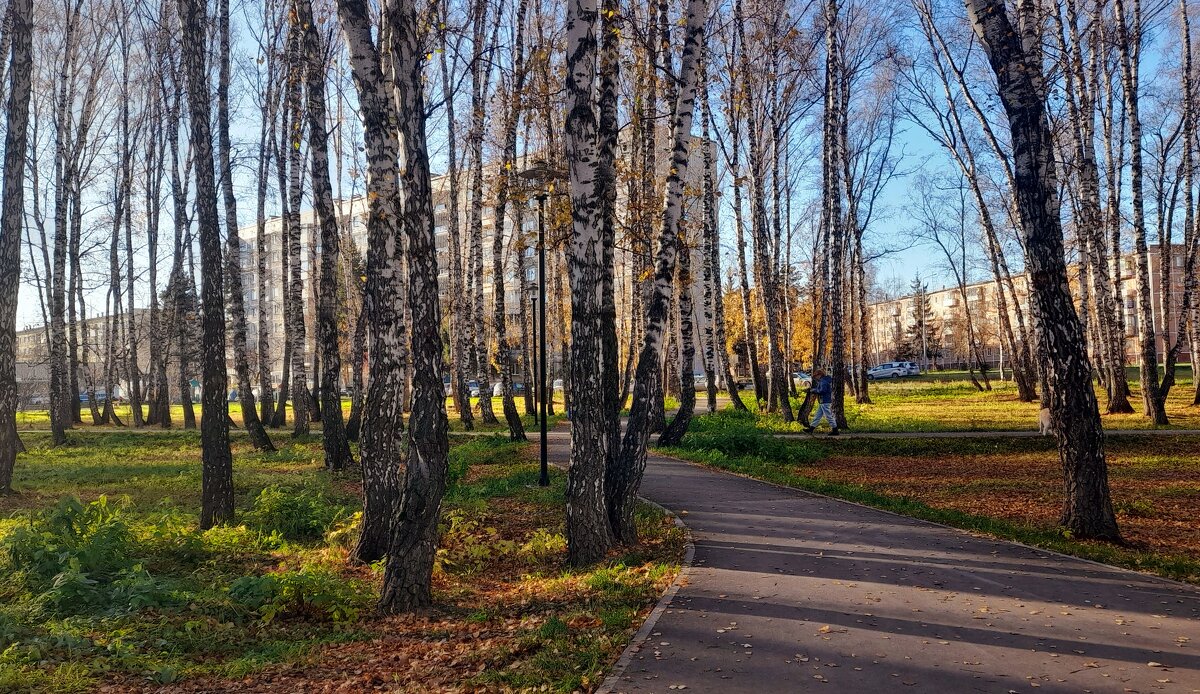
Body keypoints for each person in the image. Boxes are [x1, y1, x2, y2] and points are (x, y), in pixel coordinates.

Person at [803, 368, 838, 436]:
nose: (816, 378)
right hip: (823, 401)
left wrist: (813, 390)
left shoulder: (823, 381)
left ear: (820, 375)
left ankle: (835, 429)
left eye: (816, 376)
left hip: (825, 401)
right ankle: (811, 429)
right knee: (817, 416)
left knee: (828, 416)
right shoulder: (825, 380)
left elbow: (822, 391)